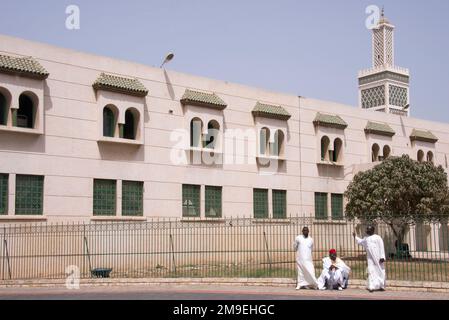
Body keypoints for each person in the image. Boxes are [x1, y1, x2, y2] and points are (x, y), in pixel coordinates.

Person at [353, 226, 386, 292]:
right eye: (367, 229)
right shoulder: (366, 238)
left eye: (368, 229)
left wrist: (382, 257)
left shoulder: (378, 237)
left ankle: (381, 285)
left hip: (378, 258)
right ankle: (371, 286)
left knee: (380, 271)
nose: (367, 230)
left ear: (372, 230)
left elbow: (381, 247)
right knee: (371, 271)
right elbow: (360, 242)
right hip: (370, 258)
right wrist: (355, 236)